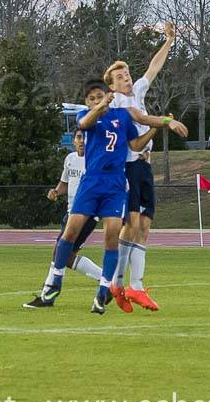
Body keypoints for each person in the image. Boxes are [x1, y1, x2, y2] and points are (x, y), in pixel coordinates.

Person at [35, 80, 159, 314]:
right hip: (91, 183)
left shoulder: (122, 117)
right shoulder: (86, 116)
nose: (95, 100)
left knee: (111, 236)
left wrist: (155, 128)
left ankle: (103, 291)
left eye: (99, 96)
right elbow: (84, 122)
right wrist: (99, 106)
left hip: (114, 185)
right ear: (86, 101)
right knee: (69, 233)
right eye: (91, 98)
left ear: (109, 95)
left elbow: (135, 144)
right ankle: (54, 282)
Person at [105, 22, 188, 312]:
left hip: (144, 167)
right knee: (132, 225)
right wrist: (165, 122)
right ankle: (122, 283)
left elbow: (153, 68)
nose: (126, 78)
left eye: (126, 73)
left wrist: (169, 40)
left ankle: (131, 285)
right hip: (128, 168)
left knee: (146, 225)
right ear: (112, 85)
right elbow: (136, 142)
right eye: (120, 76)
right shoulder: (116, 104)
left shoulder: (136, 90)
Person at [23, 130, 102, 309]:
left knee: (60, 252)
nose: (82, 141)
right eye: (79, 137)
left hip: (86, 215)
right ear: (73, 140)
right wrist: (57, 191)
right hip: (70, 213)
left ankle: (47, 295)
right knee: (65, 256)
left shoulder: (96, 160)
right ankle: (106, 280)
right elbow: (65, 182)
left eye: (86, 138)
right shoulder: (70, 159)